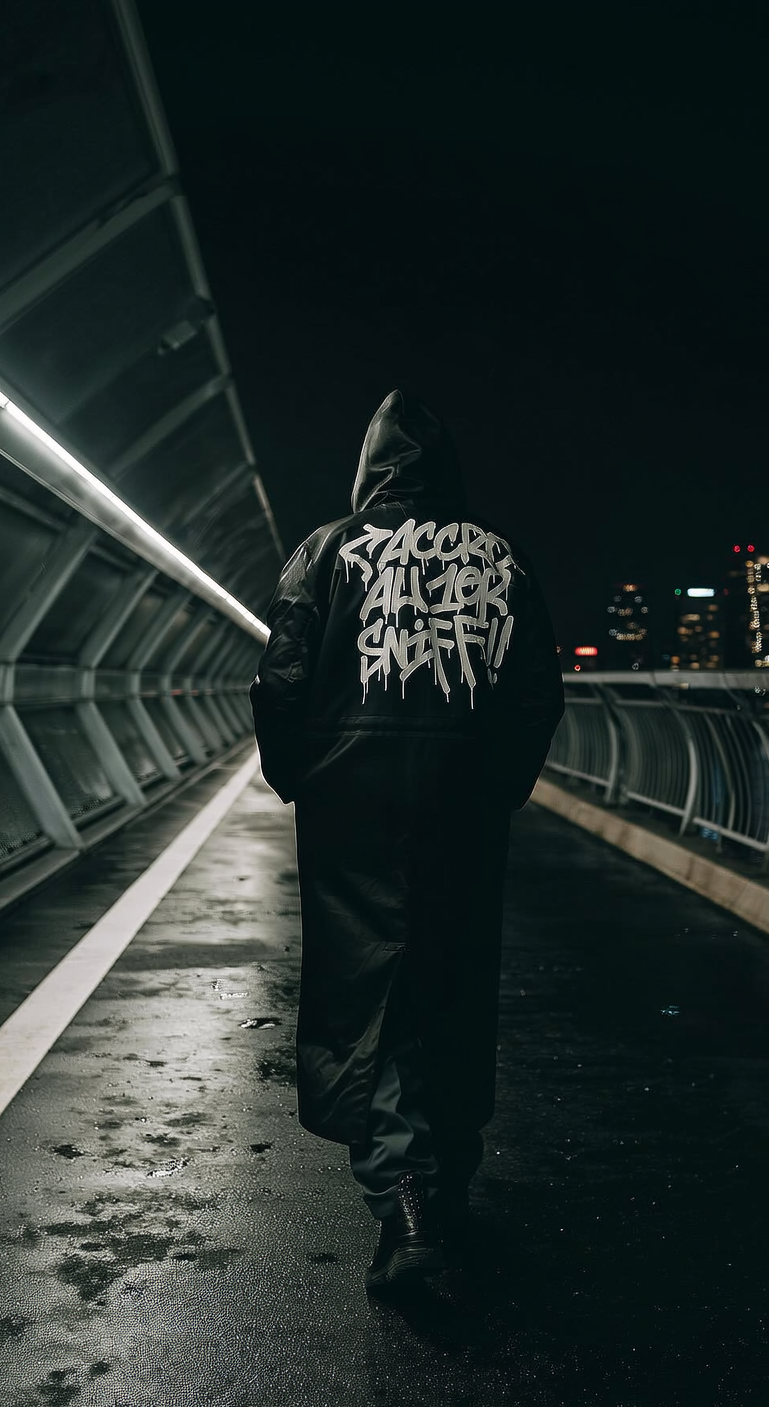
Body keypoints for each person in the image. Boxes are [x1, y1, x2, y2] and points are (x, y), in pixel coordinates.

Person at [250, 390, 564, 1291]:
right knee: (451, 980)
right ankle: (447, 1180)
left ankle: (407, 1203)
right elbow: (539, 691)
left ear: (369, 469)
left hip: (352, 806)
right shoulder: (500, 556)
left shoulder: (328, 549)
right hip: (461, 801)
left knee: (368, 991)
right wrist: (496, 787)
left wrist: (295, 774)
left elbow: (281, 676)